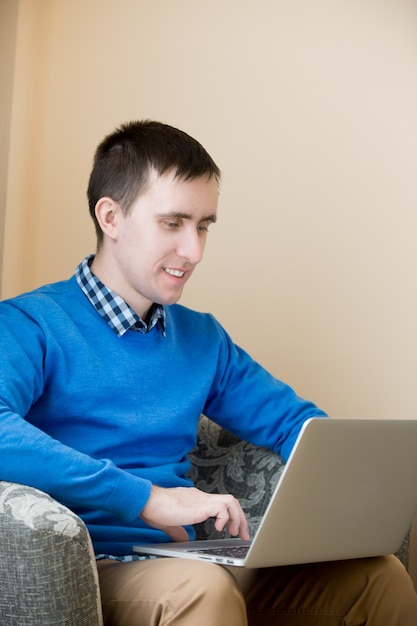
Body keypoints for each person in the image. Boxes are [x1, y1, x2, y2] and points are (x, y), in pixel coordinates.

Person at [0, 120, 416, 625]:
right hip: (94, 565)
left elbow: (295, 425)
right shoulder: (30, 324)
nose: (194, 251)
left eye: (203, 226)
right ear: (111, 216)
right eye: (173, 223)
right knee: (201, 590)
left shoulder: (202, 338)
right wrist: (146, 498)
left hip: (191, 562)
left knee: (377, 578)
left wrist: (354, 480)